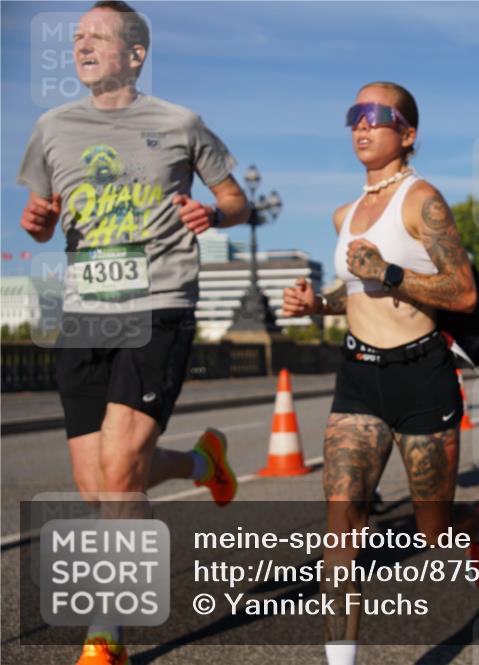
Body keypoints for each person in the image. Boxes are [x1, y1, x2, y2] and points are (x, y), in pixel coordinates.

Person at [17, 4, 249, 663]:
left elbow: (234, 199)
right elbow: (40, 223)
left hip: (159, 304)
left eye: (96, 36)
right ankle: (204, 462)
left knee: (120, 475)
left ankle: (105, 635)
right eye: (75, 38)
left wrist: (213, 210)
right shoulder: (51, 128)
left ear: (135, 53)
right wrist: (36, 220)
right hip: (87, 312)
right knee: (102, 484)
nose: (81, 45)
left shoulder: (178, 123)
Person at [280, 81, 479, 665]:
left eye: (377, 115)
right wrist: (317, 305)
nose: (361, 125)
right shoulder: (343, 214)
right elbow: (358, 293)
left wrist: (392, 271)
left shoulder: (421, 199)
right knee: (343, 524)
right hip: (358, 377)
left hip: (421, 376)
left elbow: (461, 290)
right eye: (354, 114)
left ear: (406, 134)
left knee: (434, 532)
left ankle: (478, 528)